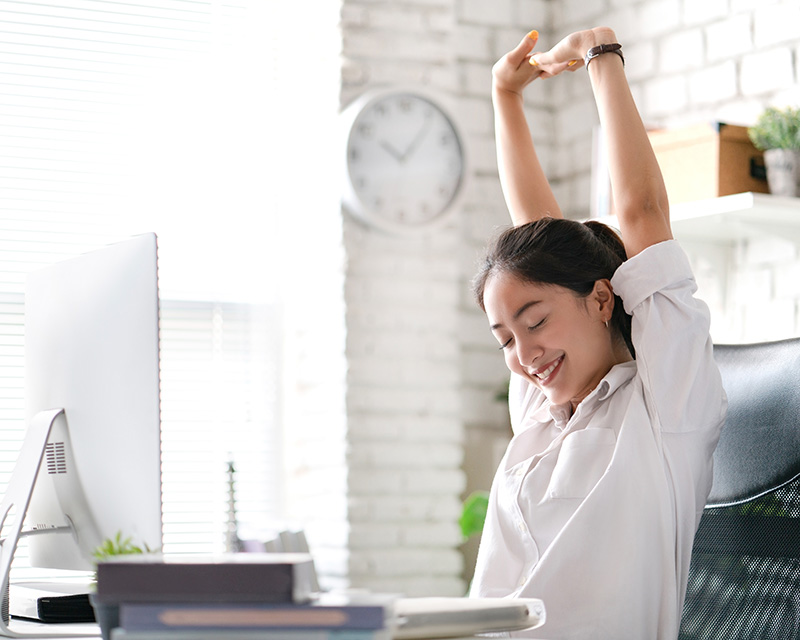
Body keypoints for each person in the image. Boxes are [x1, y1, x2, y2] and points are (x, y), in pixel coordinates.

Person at [469, 26, 727, 639]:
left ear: (602, 299)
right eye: (505, 338)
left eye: (534, 324)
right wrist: (505, 95)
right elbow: (540, 243)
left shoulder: (665, 405)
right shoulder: (541, 412)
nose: (524, 355)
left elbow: (640, 214)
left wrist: (601, 55)